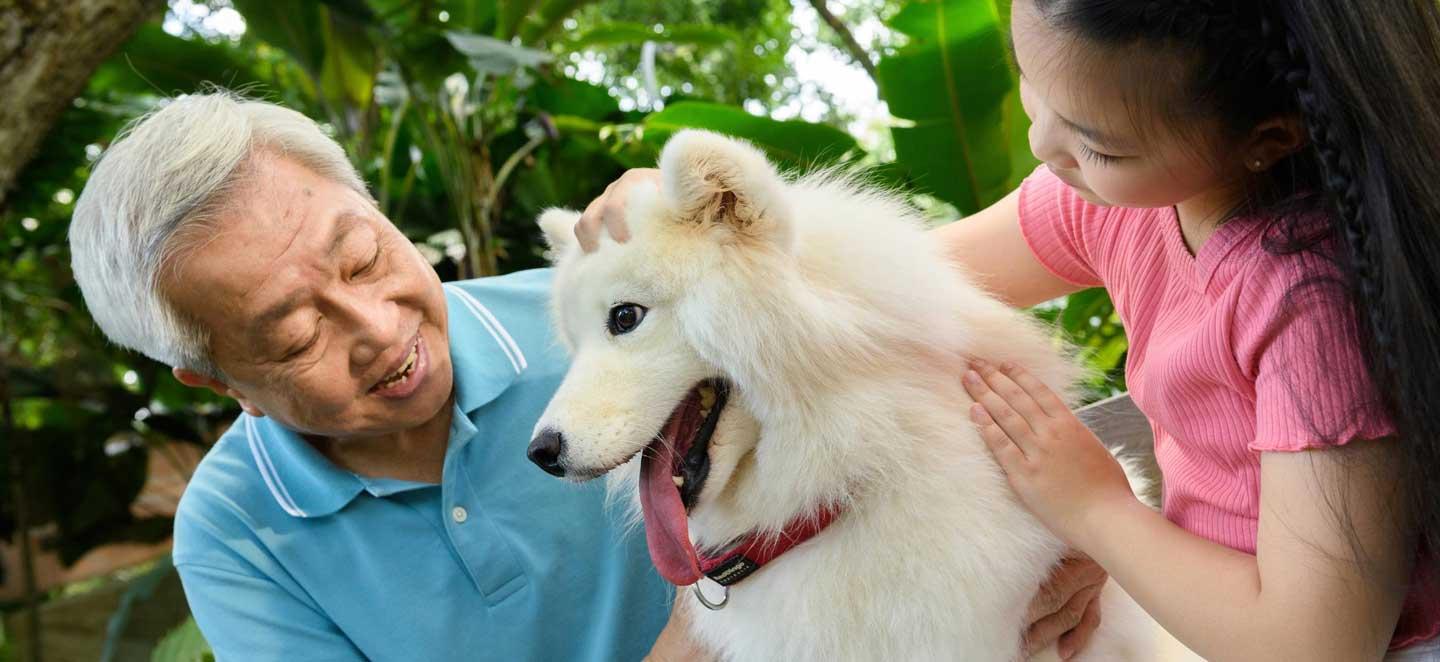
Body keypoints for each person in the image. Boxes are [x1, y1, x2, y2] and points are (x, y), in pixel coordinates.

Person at [67, 91, 1098, 660]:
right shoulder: (237, 532)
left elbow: (936, 316)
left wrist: (1078, 542)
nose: (379, 329)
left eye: (364, 255)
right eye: (294, 331)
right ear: (217, 382)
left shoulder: (592, 313)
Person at [574, 1, 1440, 660]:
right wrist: (709, 234)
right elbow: (875, 290)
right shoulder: (1118, 201)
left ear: (1267, 138)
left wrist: (1096, 511)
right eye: (1033, 86)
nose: (1043, 143)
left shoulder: (1312, 307)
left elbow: (1311, 643)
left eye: (1098, 141)